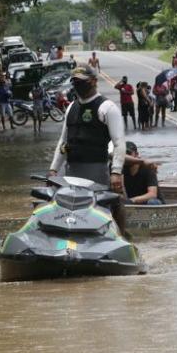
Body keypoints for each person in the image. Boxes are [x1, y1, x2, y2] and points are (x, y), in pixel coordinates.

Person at [47, 64, 127, 231]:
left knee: (112, 202)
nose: (78, 85)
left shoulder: (107, 108)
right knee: (64, 206)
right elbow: (63, 141)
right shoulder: (70, 108)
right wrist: (53, 169)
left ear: (93, 81)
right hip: (72, 171)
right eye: (75, 81)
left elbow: (119, 143)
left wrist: (116, 172)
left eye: (82, 81)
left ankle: (122, 235)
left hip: (97, 171)